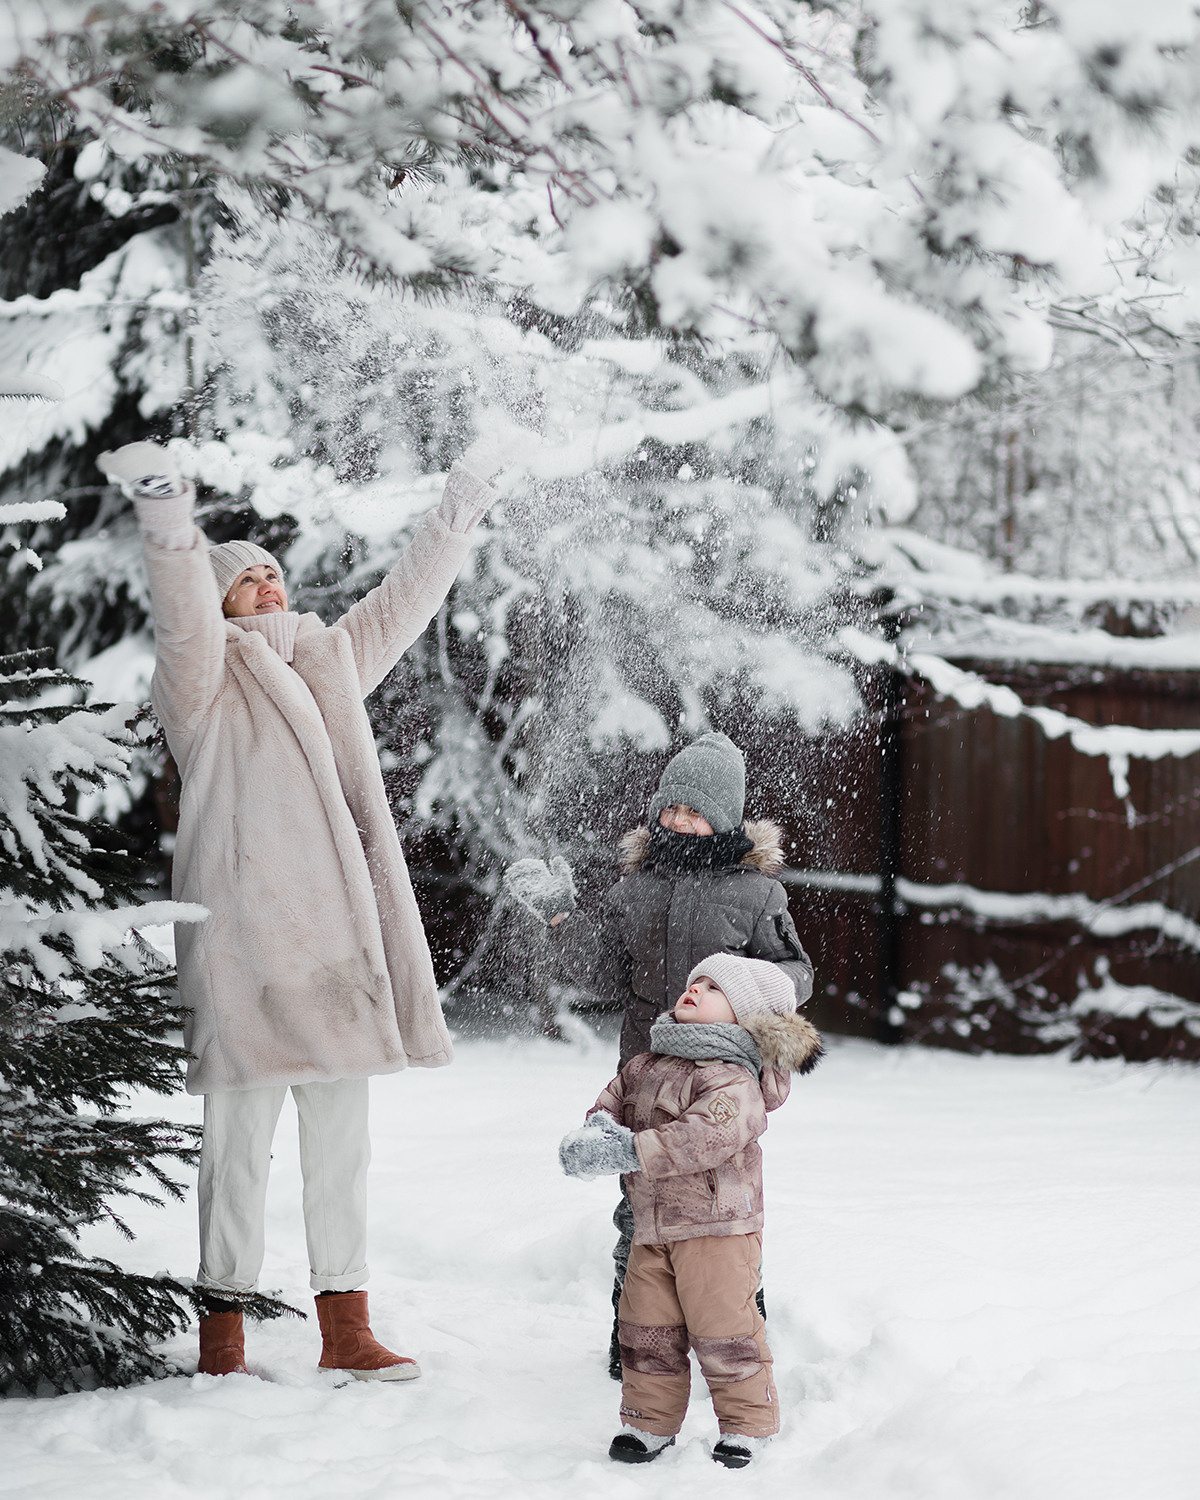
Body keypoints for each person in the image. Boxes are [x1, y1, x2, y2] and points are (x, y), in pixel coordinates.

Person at [98, 435, 506, 1380]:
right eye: (247, 580)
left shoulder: (329, 662)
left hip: (335, 957)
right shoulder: (202, 685)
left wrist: (463, 502)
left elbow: (407, 597)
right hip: (246, 951)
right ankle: (223, 1335)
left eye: (274, 573)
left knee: (342, 1152)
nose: (268, 585)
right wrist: (169, 515)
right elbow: (183, 614)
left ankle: (346, 1327)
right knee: (235, 1155)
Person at [504, 731, 814, 1373]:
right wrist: (559, 920)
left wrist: (747, 996)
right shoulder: (636, 888)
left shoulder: (758, 895)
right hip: (647, 1070)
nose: (678, 820)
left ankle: (735, 1326)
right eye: (670, 807)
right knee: (640, 1204)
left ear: (724, 817)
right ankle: (635, 1339)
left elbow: (794, 972)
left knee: (723, 1202)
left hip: (722, 1075)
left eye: (694, 810)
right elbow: (597, 970)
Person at [559, 953, 822, 1467]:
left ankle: (748, 1423)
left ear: (746, 1017)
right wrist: (596, 1132)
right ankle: (648, 1424)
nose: (695, 990)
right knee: (644, 1330)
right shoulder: (647, 1062)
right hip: (651, 1225)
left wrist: (632, 1151)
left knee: (725, 1329)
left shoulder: (733, 1078)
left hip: (717, 1229)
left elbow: (707, 1135)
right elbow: (613, 1099)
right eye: (695, 981)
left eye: (713, 989)